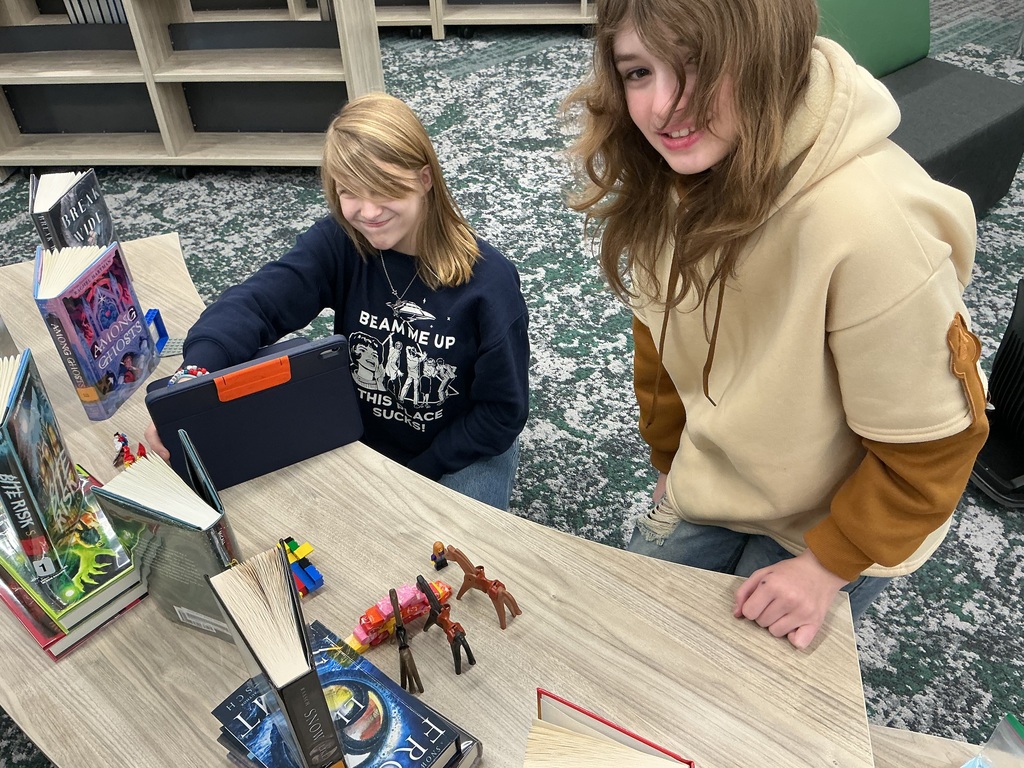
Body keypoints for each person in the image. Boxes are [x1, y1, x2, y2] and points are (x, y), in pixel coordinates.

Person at [564, 0, 989, 649]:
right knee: (631, 635)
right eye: (638, 72)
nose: (663, 106)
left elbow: (931, 448)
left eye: (698, 65)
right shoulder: (667, 182)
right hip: (720, 469)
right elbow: (659, 348)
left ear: (769, 54)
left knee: (744, 693)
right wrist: (669, 460)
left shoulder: (873, 230)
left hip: (837, 513)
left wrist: (827, 567)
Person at [145, 93, 530, 511]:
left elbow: (501, 414)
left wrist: (416, 475)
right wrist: (191, 380)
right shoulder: (342, 242)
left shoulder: (490, 283)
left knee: (453, 554)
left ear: (424, 179)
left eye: (385, 189)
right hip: (360, 432)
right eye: (349, 192)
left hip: (462, 448)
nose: (367, 212)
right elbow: (255, 304)